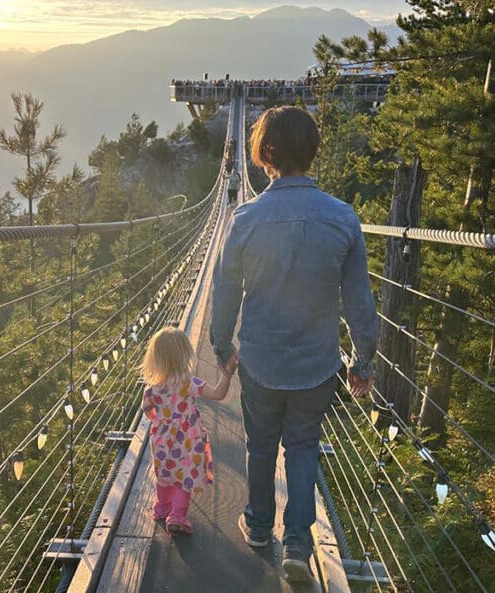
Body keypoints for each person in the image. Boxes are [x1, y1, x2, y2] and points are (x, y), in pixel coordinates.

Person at [209, 106, 377, 582]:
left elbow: (224, 293)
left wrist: (223, 351)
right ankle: (299, 545)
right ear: (312, 151)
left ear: (264, 154)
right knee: (303, 447)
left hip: (260, 360)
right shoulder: (344, 219)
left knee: (260, 446)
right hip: (316, 364)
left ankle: (259, 526)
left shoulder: (245, 219)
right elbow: (359, 300)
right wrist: (363, 360)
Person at [141, 327, 237, 535]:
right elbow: (218, 394)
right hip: (188, 440)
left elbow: (148, 410)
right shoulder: (189, 384)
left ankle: (162, 507)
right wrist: (227, 374)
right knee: (183, 477)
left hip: (161, 439)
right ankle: (177, 516)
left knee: (164, 474)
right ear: (186, 355)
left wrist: (161, 422)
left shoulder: (151, 389)